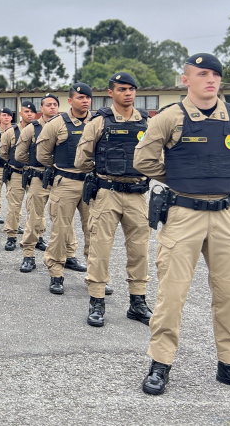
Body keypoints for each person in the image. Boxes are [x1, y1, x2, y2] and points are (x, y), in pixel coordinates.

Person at [134, 53, 230, 397]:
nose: (211, 80)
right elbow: (144, 160)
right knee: (172, 293)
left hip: (225, 215)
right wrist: (183, 178)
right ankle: (160, 364)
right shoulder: (170, 118)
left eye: (216, 75)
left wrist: (219, 177)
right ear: (186, 79)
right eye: (203, 74)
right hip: (183, 213)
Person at [75, 73, 152, 327]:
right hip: (107, 193)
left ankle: (137, 302)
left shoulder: (146, 123)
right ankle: (97, 301)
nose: (128, 93)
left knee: (139, 250)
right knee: (100, 249)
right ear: (111, 92)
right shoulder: (99, 122)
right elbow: (81, 160)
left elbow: (157, 155)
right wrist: (102, 171)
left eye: (131, 89)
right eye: (122, 89)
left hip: (137, 194)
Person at [35, 86, 92, 294]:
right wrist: (60, 168)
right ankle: (56, 274)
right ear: (70, 100)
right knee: (60, 230)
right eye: (80, 97)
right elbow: (43, 154)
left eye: (88, 97)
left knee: (95, 231)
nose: (85, 101)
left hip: (92, 183)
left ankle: (96, 277)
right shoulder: (57, 123)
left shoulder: (98, 122)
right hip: (66, 182)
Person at [14, 96, 58, 264]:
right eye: (48, 105)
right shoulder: (32, 128)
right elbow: (19, 155)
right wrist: (36, 163)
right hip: (39, 177)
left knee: (63, 220)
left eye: (55, 104)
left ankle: (69, 255)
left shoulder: (64, 126)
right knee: (34, 217)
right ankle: (28, 255)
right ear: (42, 108)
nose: (52, 107)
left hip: (61, 178)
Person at [0, 102, 38, 250]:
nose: (29, 114)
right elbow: (3, 153)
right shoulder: (11, 132)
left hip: (35, 174)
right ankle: (11, 236)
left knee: (35, 208)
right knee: (14, 206)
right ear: (20, 114)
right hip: (17, 173)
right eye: (26, 111)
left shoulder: (40, 130)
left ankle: (37, 237)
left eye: (32, 112)